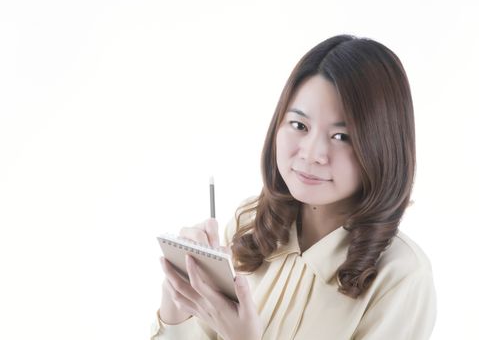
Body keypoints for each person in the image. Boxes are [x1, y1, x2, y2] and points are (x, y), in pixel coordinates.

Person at [151, 34, 437, 340]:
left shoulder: (401, 277)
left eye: (342, 136)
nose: (312, 154)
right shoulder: (249, 226)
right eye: (299, 126)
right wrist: (177, 309)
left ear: (383, 147)